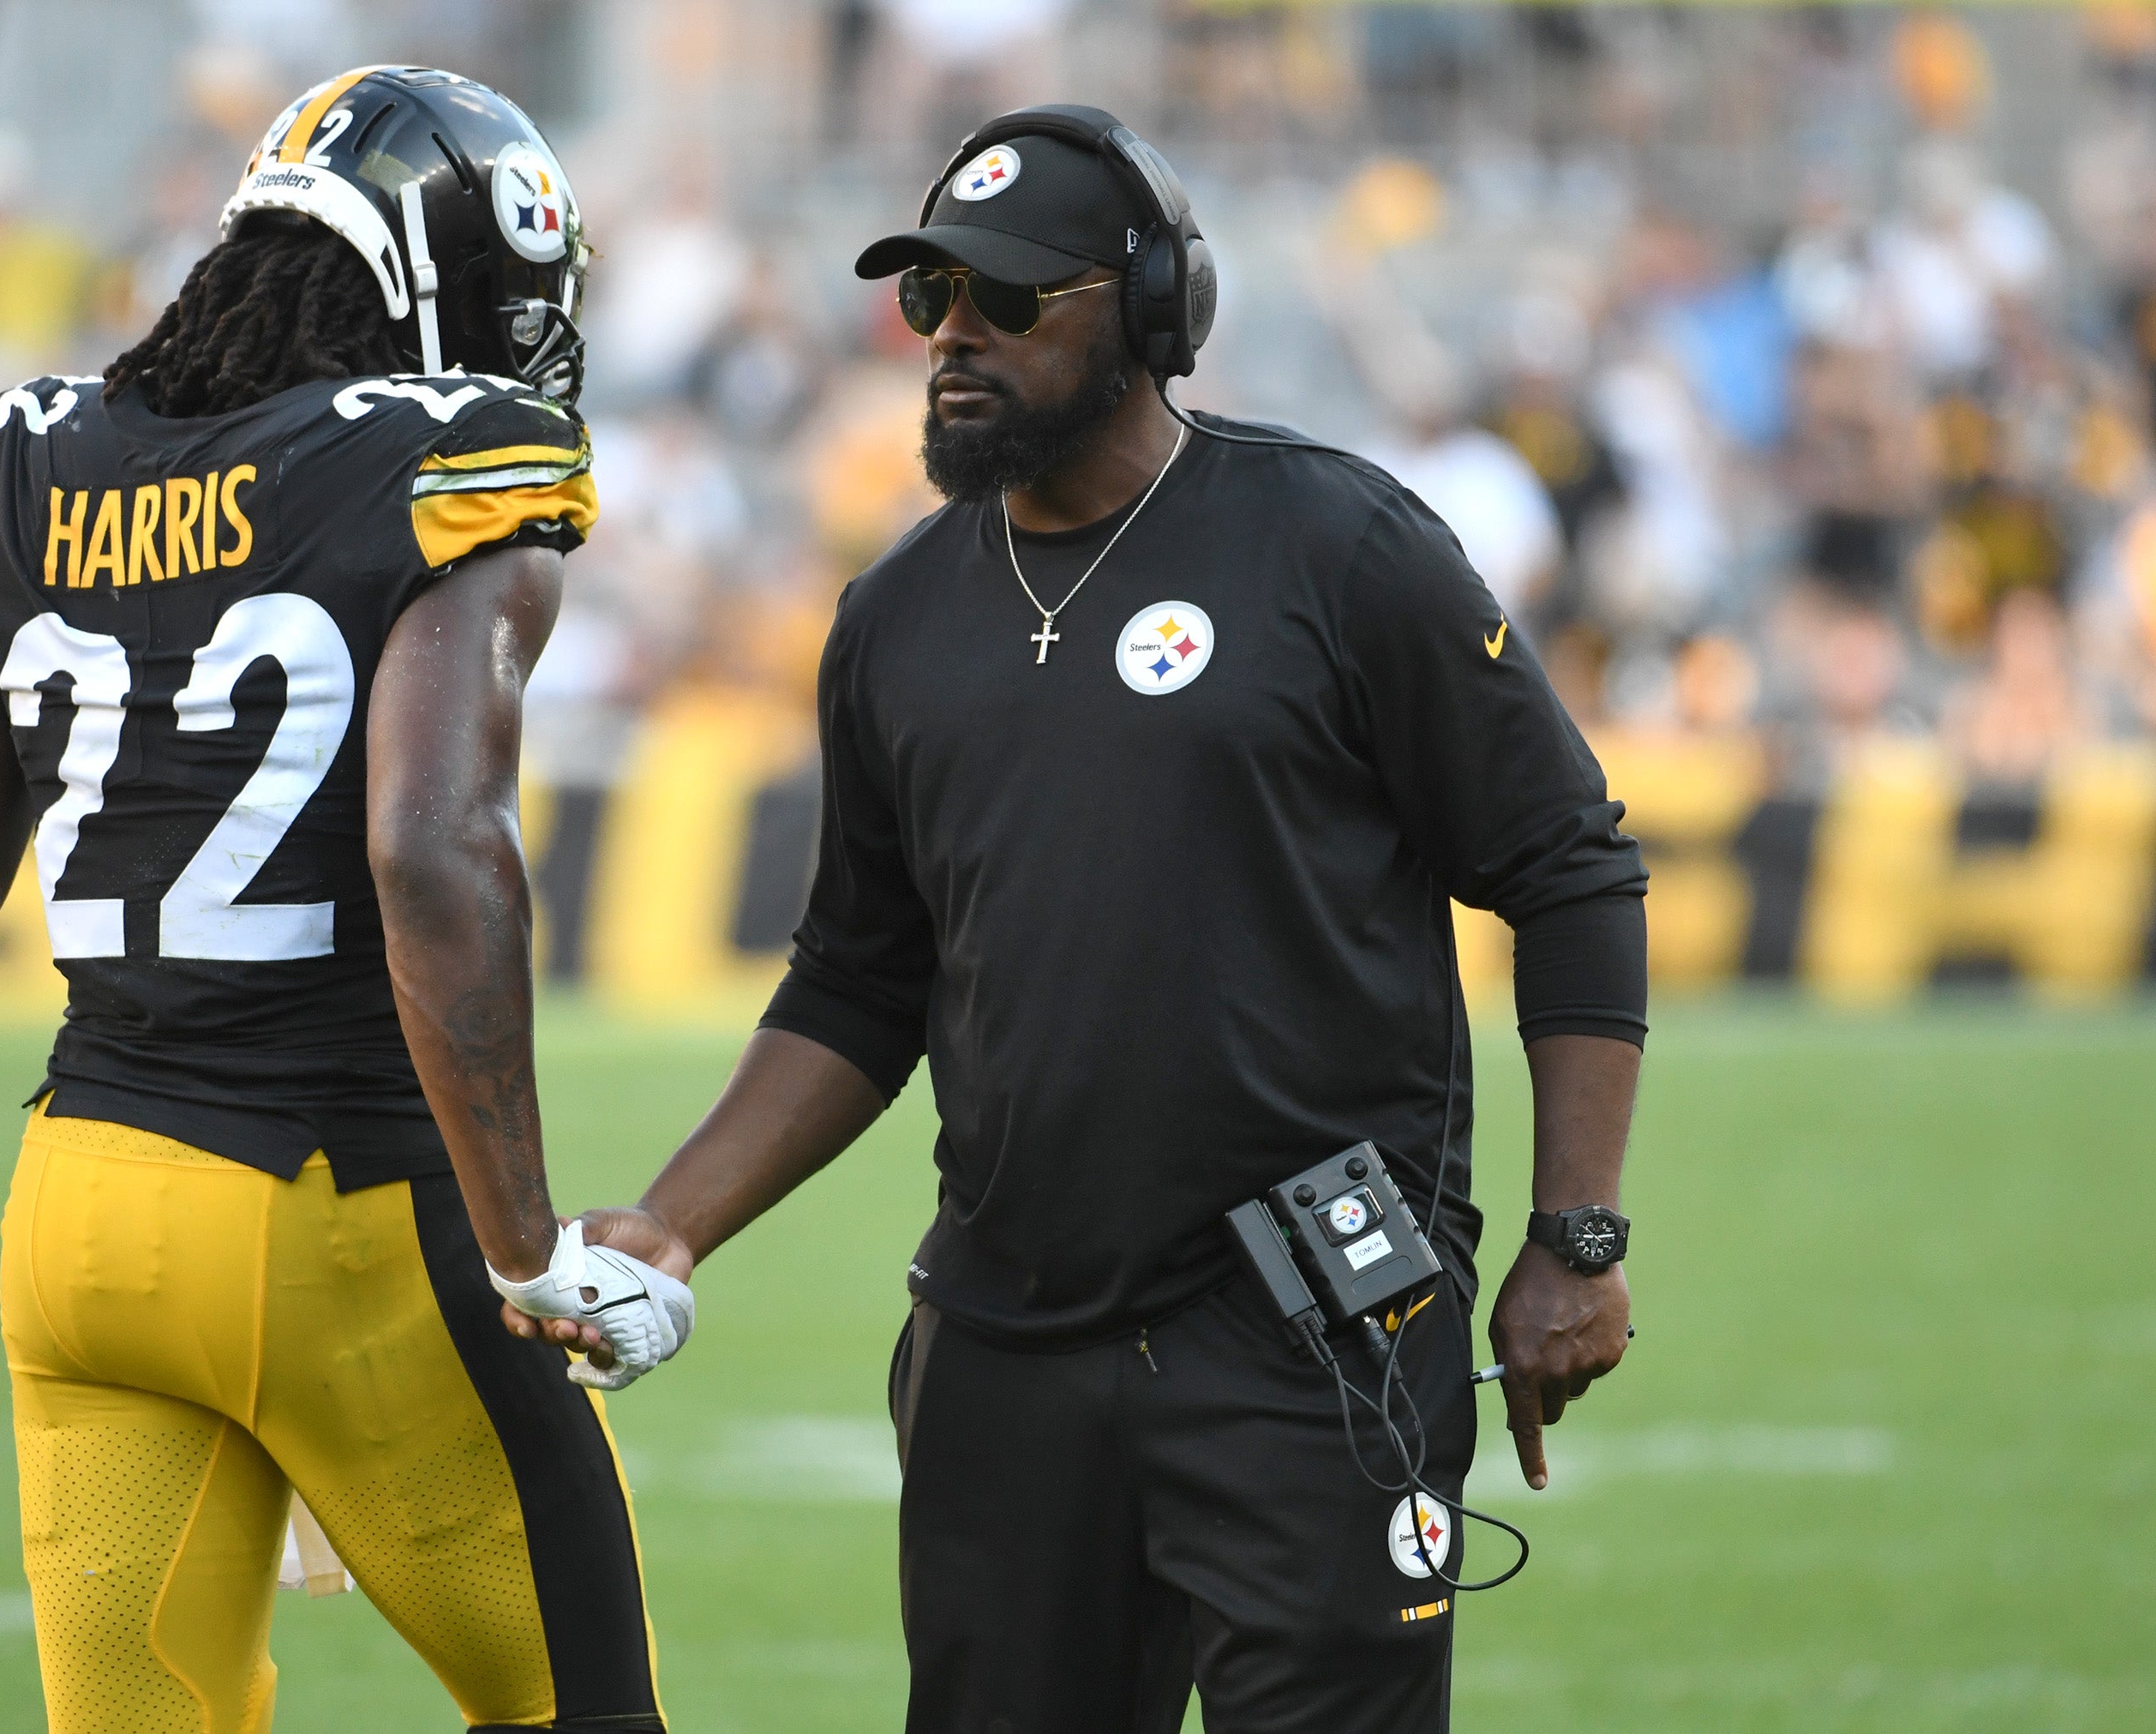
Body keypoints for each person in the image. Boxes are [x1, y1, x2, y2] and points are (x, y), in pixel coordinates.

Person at [525, 107, 1647, 1731]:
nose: (954, 337)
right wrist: (674, 1218)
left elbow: (1570, 868)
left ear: (1149, 310)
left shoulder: (1337, 546)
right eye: (931, 302)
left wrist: (1577, 1237)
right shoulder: (894, 621)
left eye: (1006, 297)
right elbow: (858, 981)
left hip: (1315, 1334)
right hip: (1005, 1343)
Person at [0, 68, 686, 1733]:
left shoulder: (37, 452)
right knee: (583, 1716)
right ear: (439, 285)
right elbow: (432, 849)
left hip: (82, 1225)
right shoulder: (452, 456)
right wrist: (526, 1247)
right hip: (336, 1205)